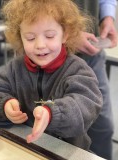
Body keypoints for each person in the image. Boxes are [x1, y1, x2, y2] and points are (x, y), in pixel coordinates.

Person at [0, 0, 103, 151]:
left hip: (66, 151)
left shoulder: (78, 70)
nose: (40, 45)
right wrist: (4, 106)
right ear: (20, 37)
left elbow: (86, 105)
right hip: (24, 147)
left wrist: (53, 113)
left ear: (65, 34)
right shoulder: (14, 68)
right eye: (30, 38)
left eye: (50, 36)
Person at [72, 0, 117, 159]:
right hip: (47, 60)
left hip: (91, 55)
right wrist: (64, 34)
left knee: (103, 128)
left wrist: (108, 16)